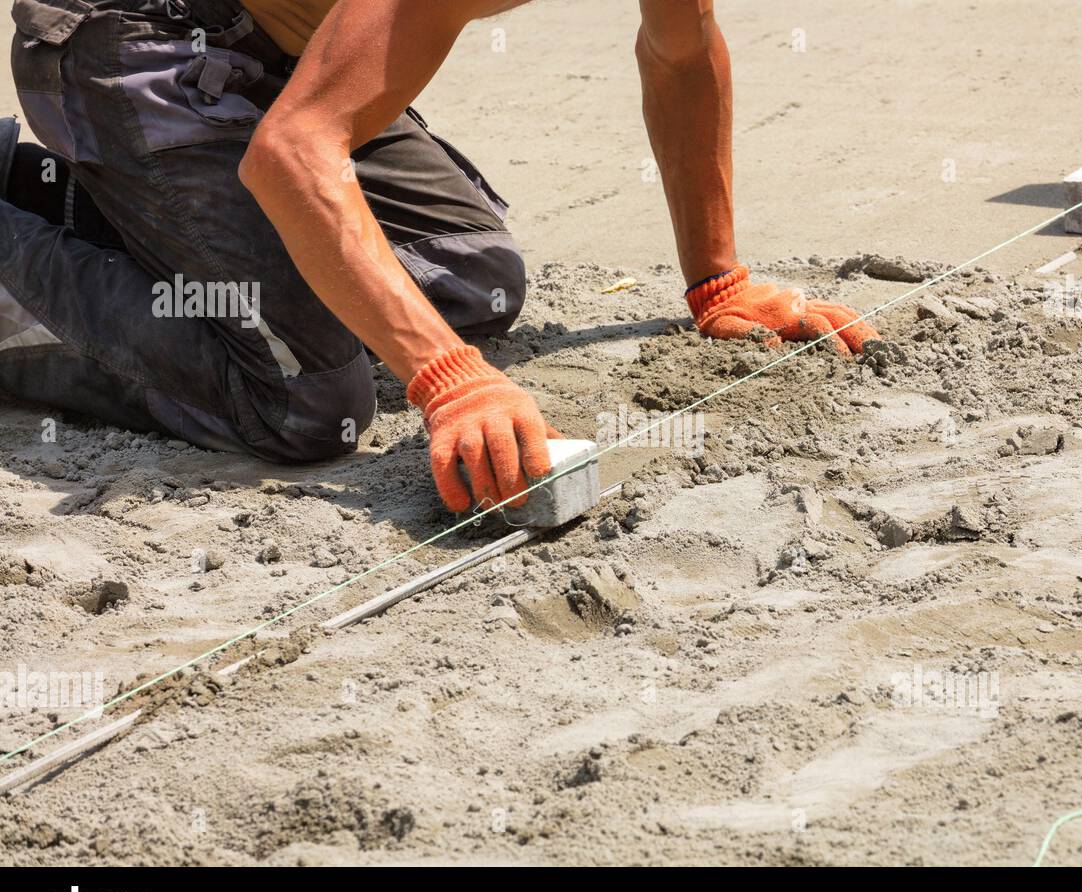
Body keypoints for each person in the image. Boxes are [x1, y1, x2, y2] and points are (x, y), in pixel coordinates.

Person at [1, 0, 878, 513]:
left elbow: (681, 54)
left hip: (283, 50)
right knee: (304, 403)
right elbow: (296, 151)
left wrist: (717, 281)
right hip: (133, 37)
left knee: (472, 276)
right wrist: (450, 382)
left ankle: (65, 189)